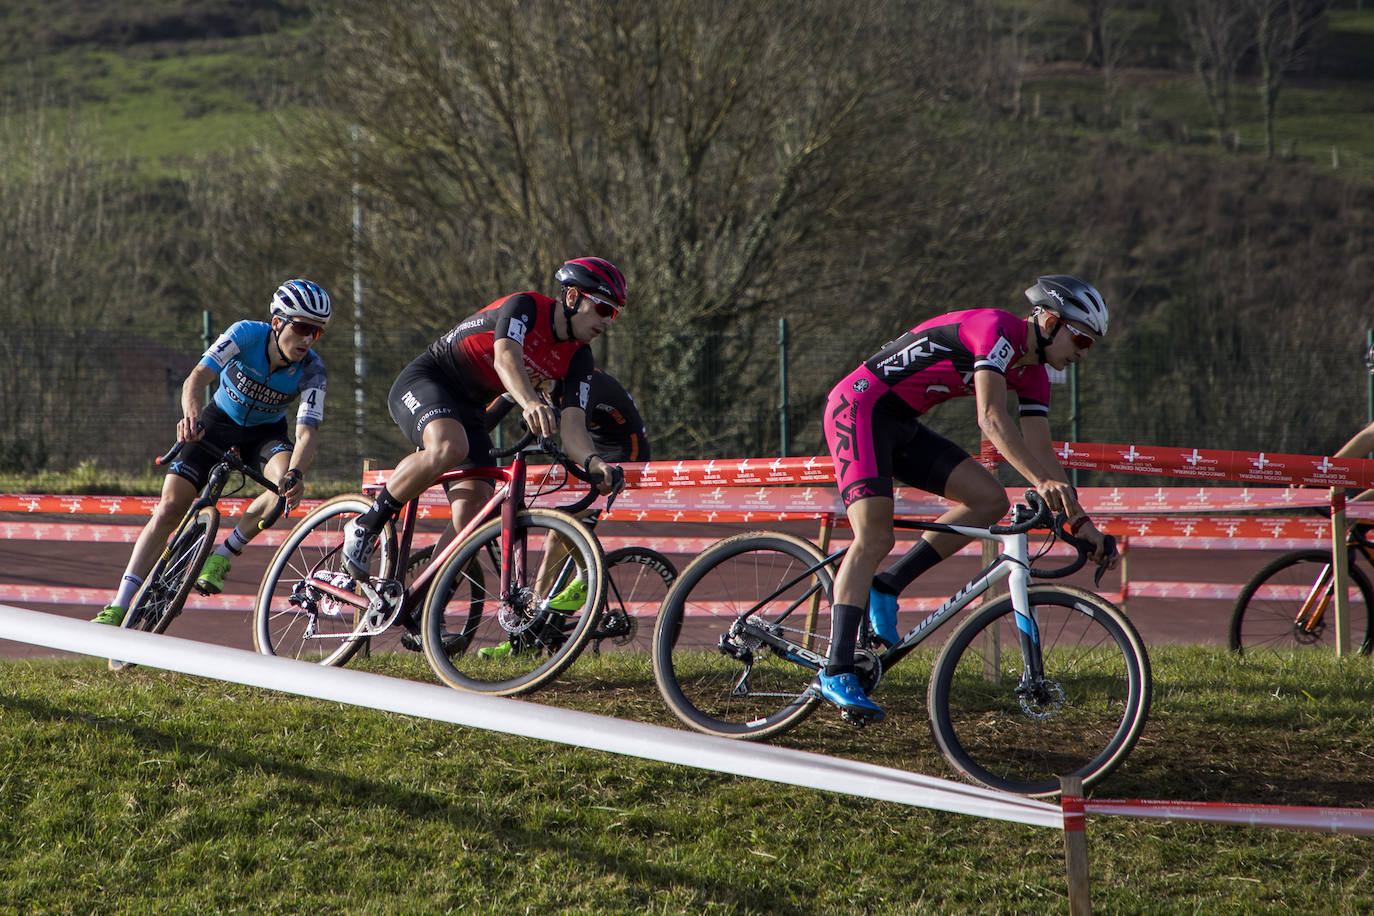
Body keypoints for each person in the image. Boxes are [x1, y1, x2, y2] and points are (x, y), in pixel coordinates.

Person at [818, 274, 1117, 721]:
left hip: (901, 423)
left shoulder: (1034, 374)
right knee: (874, 536)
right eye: (1080, 339)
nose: (1082, 353)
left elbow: (1041, 452)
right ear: (1050, 321)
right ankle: (836, 667)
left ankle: (887, 586)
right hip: (859, 408)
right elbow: (991, 418)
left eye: (1090, 345)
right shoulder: (996, 330)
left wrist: (1083, 525)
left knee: (989, 500)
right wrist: (1040, 482)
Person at [341, 256, 628, 615]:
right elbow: (505, 356)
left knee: (473, 516)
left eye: (613, 314)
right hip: (430, 380)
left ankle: (422, 604)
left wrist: (594, 463)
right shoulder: (525, 307)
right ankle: (367, 525)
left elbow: (573, 426)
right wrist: (528, 402)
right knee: (448, 445)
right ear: (572, 297)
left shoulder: (580, 358)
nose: (606, 320)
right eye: (602, 307)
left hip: (471, 409)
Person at [93, 279, 331, 625]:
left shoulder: (313, 369)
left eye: (317, 332)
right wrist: (190, 417)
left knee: (283, 487)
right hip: (217, 421)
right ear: (277, 322)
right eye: (302, 328)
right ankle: (119, 603)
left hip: (264, 435)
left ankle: (223, 553)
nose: (308, 339)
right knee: (170, 506)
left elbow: (307, 432)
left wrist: (296, 473)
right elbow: (196, 378)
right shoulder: (245, 334)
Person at [475, 368, 650, 658]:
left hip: (623, 454)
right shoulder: (541, 384)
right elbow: (486, 420)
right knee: (556, 534)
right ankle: (527, 630)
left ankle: (585, 578)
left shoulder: (576, 382)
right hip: (591, 447)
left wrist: (535, 414)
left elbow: (558, 423)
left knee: (563, 527)